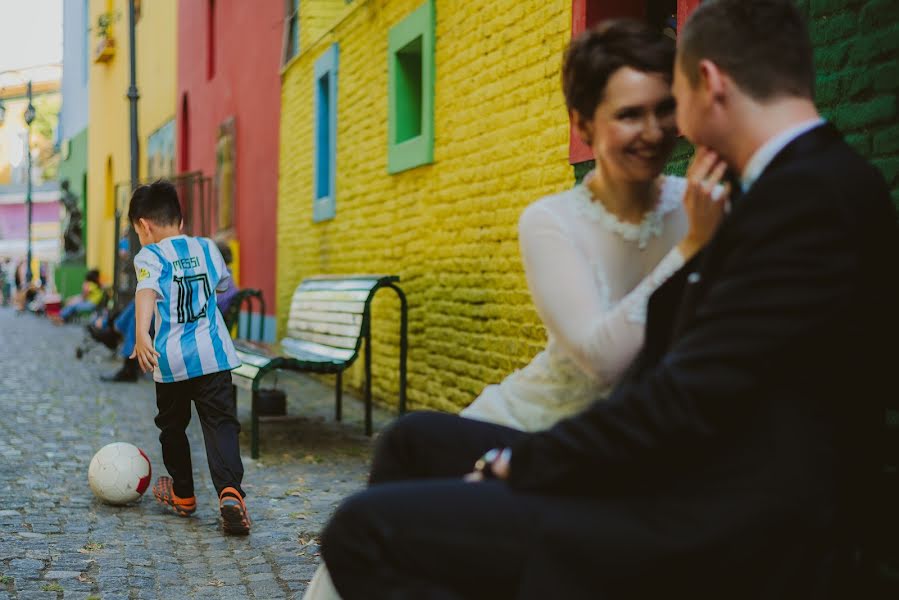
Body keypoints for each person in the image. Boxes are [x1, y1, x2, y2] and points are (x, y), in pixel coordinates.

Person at [318, 2, 899, 598]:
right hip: (687, 460)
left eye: (669, 100)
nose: (662, 128)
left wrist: (522, 466)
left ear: (709, 84)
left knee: (362, 531)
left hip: (712, 502)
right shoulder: (795, 187)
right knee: (412, 441)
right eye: (630, 113)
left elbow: (686, 397)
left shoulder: (797, 200)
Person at [460, 19, 723, 432]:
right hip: (530, 427)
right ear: (583, 125)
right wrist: (690, 249)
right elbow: (602, 362)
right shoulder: (550, 221)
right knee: (409, 444)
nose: (654, 133)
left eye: (665, 108)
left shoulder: (701, 209)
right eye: (630, 115)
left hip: (635, 441)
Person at [128, 180, 250, 535]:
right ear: (179, 221)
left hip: (171, 362)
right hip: (213, 358)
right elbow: (223, 285)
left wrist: (141, 333)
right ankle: (230, 492)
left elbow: (146, 291)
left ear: (144, 226)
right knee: (221, 424)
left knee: (172, 428)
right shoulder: (208, 248)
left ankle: (183, 493)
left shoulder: (149, 255)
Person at [97, 241, 239, 383]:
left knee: (140, 317)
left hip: (191, 324)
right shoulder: (213, 275)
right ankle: (118, 340)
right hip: (185, 319)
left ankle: (117, 339)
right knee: (140, 306)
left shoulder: (223, 281)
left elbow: (204, 303)